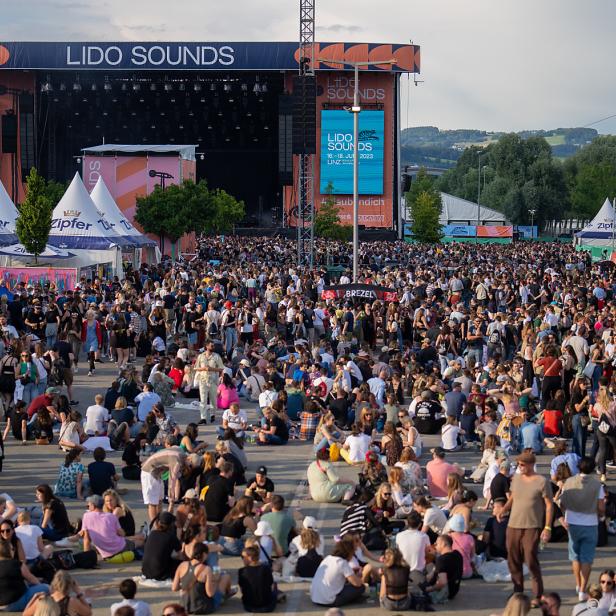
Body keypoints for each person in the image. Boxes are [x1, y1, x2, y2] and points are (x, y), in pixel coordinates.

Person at [499, 450, 554, 606]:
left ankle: (537, 595)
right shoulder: (516, 478)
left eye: (522, 464)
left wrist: (548, 527)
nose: (520, 467)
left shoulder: (542, 481)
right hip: (513, 525)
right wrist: (504, 509)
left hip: (532, 526)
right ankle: (518, 592)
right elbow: (513, 497)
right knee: (513, 560)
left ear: (531, 464)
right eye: (518, 464)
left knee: (530, 560)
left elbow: (549, 506)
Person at [559, 456, 606, 601]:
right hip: (590, 523)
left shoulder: (569, 482)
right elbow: (601, 507)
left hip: (572, 522)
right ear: (592, 468)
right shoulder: (597, 485)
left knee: (575, 557)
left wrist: (563, 515)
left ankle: (578, 585)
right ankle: (583, 589)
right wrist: (602, 516)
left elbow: (562, 503)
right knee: (587, 558)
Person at [171, 543, 233, 614]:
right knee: (226, 577)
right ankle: (225, 595)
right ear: (204, 554)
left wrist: (186, 585)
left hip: (184, 607)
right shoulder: (206, 569)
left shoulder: (182, 565)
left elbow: (174, 588)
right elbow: (210, 594)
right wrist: (215, 581)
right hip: (203, 608)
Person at [310, 538, 365, 607]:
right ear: (349, 552)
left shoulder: (328, 558)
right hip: (329, 600)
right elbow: (357, 584)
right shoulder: (342, 562)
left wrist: (351, 571)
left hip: (315, 597)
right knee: (361, 588)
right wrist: (359, 576)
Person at [80, 494, 135, 560]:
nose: (88, 506)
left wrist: (86, 557)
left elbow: (86, 539)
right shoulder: (111, 516)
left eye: (88, 505)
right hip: (118, 548)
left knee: (134, 539)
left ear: (93, 506)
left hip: (104, 552)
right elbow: (122, 533)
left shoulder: (86, 516)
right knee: (140, 540)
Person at [0, 539, 49, 612]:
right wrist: (41, 586)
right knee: (47, 587)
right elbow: (32, 579)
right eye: (12, 549)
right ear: (11, 551)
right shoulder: (17, 564)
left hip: (1, 605)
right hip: (16, 602)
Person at [422, 534, 463, 604]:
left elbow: (443, 582)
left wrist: (430, 589)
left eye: (437, 543)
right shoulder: (457, 554)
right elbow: (447, 563)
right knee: (431, 567)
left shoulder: (442, 560)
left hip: (445, 592)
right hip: (454, 589)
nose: (435, 545)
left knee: (420, 592)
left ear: (443, 544)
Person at [238, 544, 279, 612]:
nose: (242, 559)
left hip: (249, 606)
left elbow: (242, 590)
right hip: (267, 606)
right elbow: (271, 586)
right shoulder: (266, 569)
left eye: (243, 557)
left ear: (249, 558)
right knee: (275, 585)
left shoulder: (242, 571)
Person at [142, 512, 182, 580]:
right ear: (171, 524)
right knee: (181, 562)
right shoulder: (171, 537)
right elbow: (180, 554)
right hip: (159, 574)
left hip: (145, 571)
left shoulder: (152, 533)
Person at [194, 341, 224, 425]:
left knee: (213, 399)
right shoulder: (200, 356)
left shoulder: (216, 356)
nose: (213, 347)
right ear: (207, 346)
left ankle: (212, 414)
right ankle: (203, 417)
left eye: (213, 346)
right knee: (203, 399)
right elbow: (196, 368)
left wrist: (211, 369)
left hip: (213, 380)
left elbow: (221, 368)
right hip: (203, 380)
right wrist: (203, 368)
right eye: (211, 345)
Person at [395, 510, 430, 577]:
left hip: (403, 569)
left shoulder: (399, 535)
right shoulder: (424, 536)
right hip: (419, 571)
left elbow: (398, 552)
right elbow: (428, 553)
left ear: (407, 523)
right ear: (420, 524)